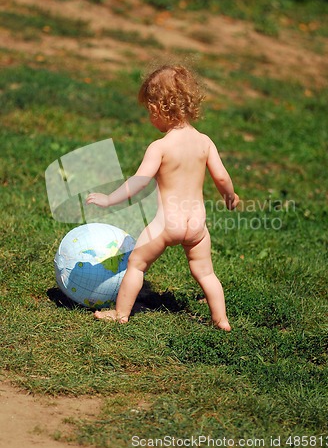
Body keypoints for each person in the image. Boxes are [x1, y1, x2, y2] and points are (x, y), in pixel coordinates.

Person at [86, 65, 239, 330]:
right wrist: (230, 196)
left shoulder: (160, 147)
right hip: (197, 226)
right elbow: (222, 178)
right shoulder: (205, 142)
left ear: (158, 109)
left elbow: (139, 180)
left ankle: (120, 313)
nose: (149, 117)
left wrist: (110, 199)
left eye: (149, 111)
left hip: (167, 224)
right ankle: (221, 320)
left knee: (136, 263)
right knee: (205, 272)